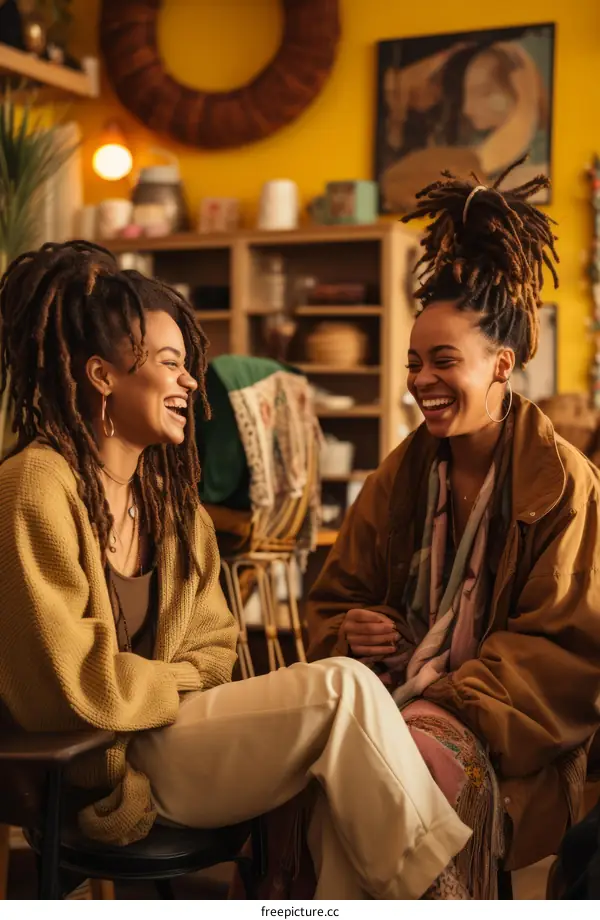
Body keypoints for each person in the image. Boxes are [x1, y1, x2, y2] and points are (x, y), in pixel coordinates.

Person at [0, 241, 470, 899]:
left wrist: (151, 687)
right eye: (171, 363)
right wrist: (169, 686)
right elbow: (73, 683)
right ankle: (442, 893)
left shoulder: (171, 506)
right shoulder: (35, 488)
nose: (192, 381)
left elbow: (217, 652)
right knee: (341, 691)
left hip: (167, 740)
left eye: (189, 366)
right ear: (103, 375)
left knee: (342, 773)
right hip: (91, 768)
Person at [308, 159, 600, 897]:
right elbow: (333, 601)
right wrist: (354, 631)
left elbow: (566, 651)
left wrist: (441, 695)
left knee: (404, 765)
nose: (421, 381)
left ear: (502, 365)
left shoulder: (562, 485)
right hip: (397, 694)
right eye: (413, 363)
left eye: (444, 361)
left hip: (508, 731)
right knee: (313, 773)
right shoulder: (402, 476)